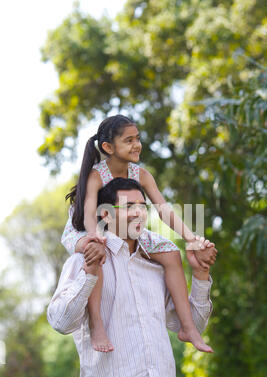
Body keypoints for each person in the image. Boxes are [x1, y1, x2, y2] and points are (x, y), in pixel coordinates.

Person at [47, 177, 216, 377]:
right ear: (106, 214)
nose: (139, 212)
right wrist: (89, 275)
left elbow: (192, 325)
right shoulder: (83, 258)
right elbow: (61, 322)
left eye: (143, 205)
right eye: (129, 206)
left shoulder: (157, 265)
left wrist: (200, 274)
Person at [62, 114, 217, 354]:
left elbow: (164, 210)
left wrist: (191, 237)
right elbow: (90, 211)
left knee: (171, 253)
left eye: (138, 139)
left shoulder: (141, 174)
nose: (137, 145)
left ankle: (188, 328)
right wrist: (96, 238)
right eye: (129, 140)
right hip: (86, 228)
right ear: (108, 147)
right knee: (97, 255)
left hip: (127, 228)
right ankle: (97, 323)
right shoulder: (96, 175)